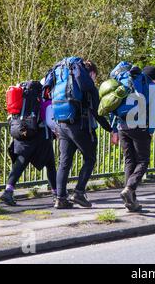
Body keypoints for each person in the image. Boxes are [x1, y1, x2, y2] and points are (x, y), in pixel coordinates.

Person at [46, 58, 112, 209]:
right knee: (90, 158)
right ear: (92, 73)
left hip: (61, 124)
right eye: (95, 76)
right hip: (79, 126)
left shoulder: (64, 83)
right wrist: (110, 128)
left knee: (64, 162)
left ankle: (60, 198)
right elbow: (97, 112)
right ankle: (79, 192)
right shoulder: (88, 87)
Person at [110, 66, 155, 212]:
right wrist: (151, 131)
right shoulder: (153, 88)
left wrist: (114, 130)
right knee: (143, 160)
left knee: (129, 161)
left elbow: (114, 106)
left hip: (122, 126)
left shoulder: (127, 83)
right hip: (139, 126)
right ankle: (129, 188)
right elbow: (153, 111)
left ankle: (131, 201)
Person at [0, 83, 57, 206]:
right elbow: (48, 120)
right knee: (50, 164)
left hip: (23, 133)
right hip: (39, 137)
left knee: (20, 163)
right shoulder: (42, 101)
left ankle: (8, 191)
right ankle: (56, 194)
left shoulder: (25, 98)